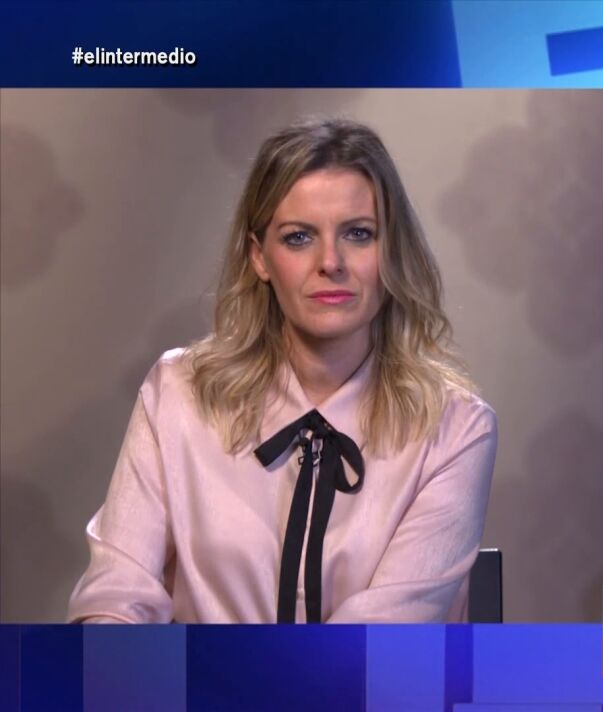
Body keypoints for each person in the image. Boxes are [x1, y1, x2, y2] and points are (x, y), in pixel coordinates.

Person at [67, 118, 497, 623]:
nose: (331, 262)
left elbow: (381, 636)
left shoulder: (456, 428)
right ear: (259, 257)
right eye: (298, 238)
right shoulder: (176, 393)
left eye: (359, 234)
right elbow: (116, 597)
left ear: (391, 251)